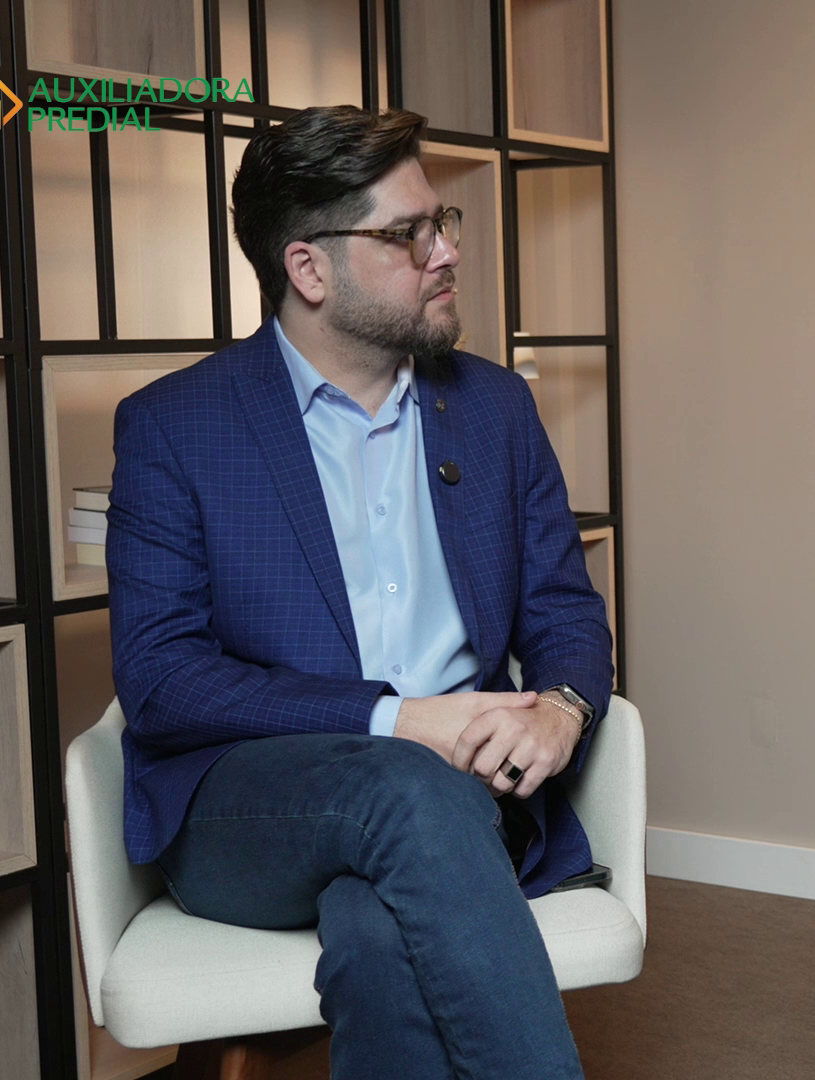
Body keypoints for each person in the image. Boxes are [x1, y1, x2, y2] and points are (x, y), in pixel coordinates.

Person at [107, 105, 611, 1080]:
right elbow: (163, 681)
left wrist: (562, 706)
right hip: (252, 806)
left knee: (377, 934)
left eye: (442, 222)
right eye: (406, 234)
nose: (445, 253)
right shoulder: (175, 427)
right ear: (309, 268)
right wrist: (395, 721)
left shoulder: (496, 409)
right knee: (405, 784)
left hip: (472, 797)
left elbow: (564, 611)